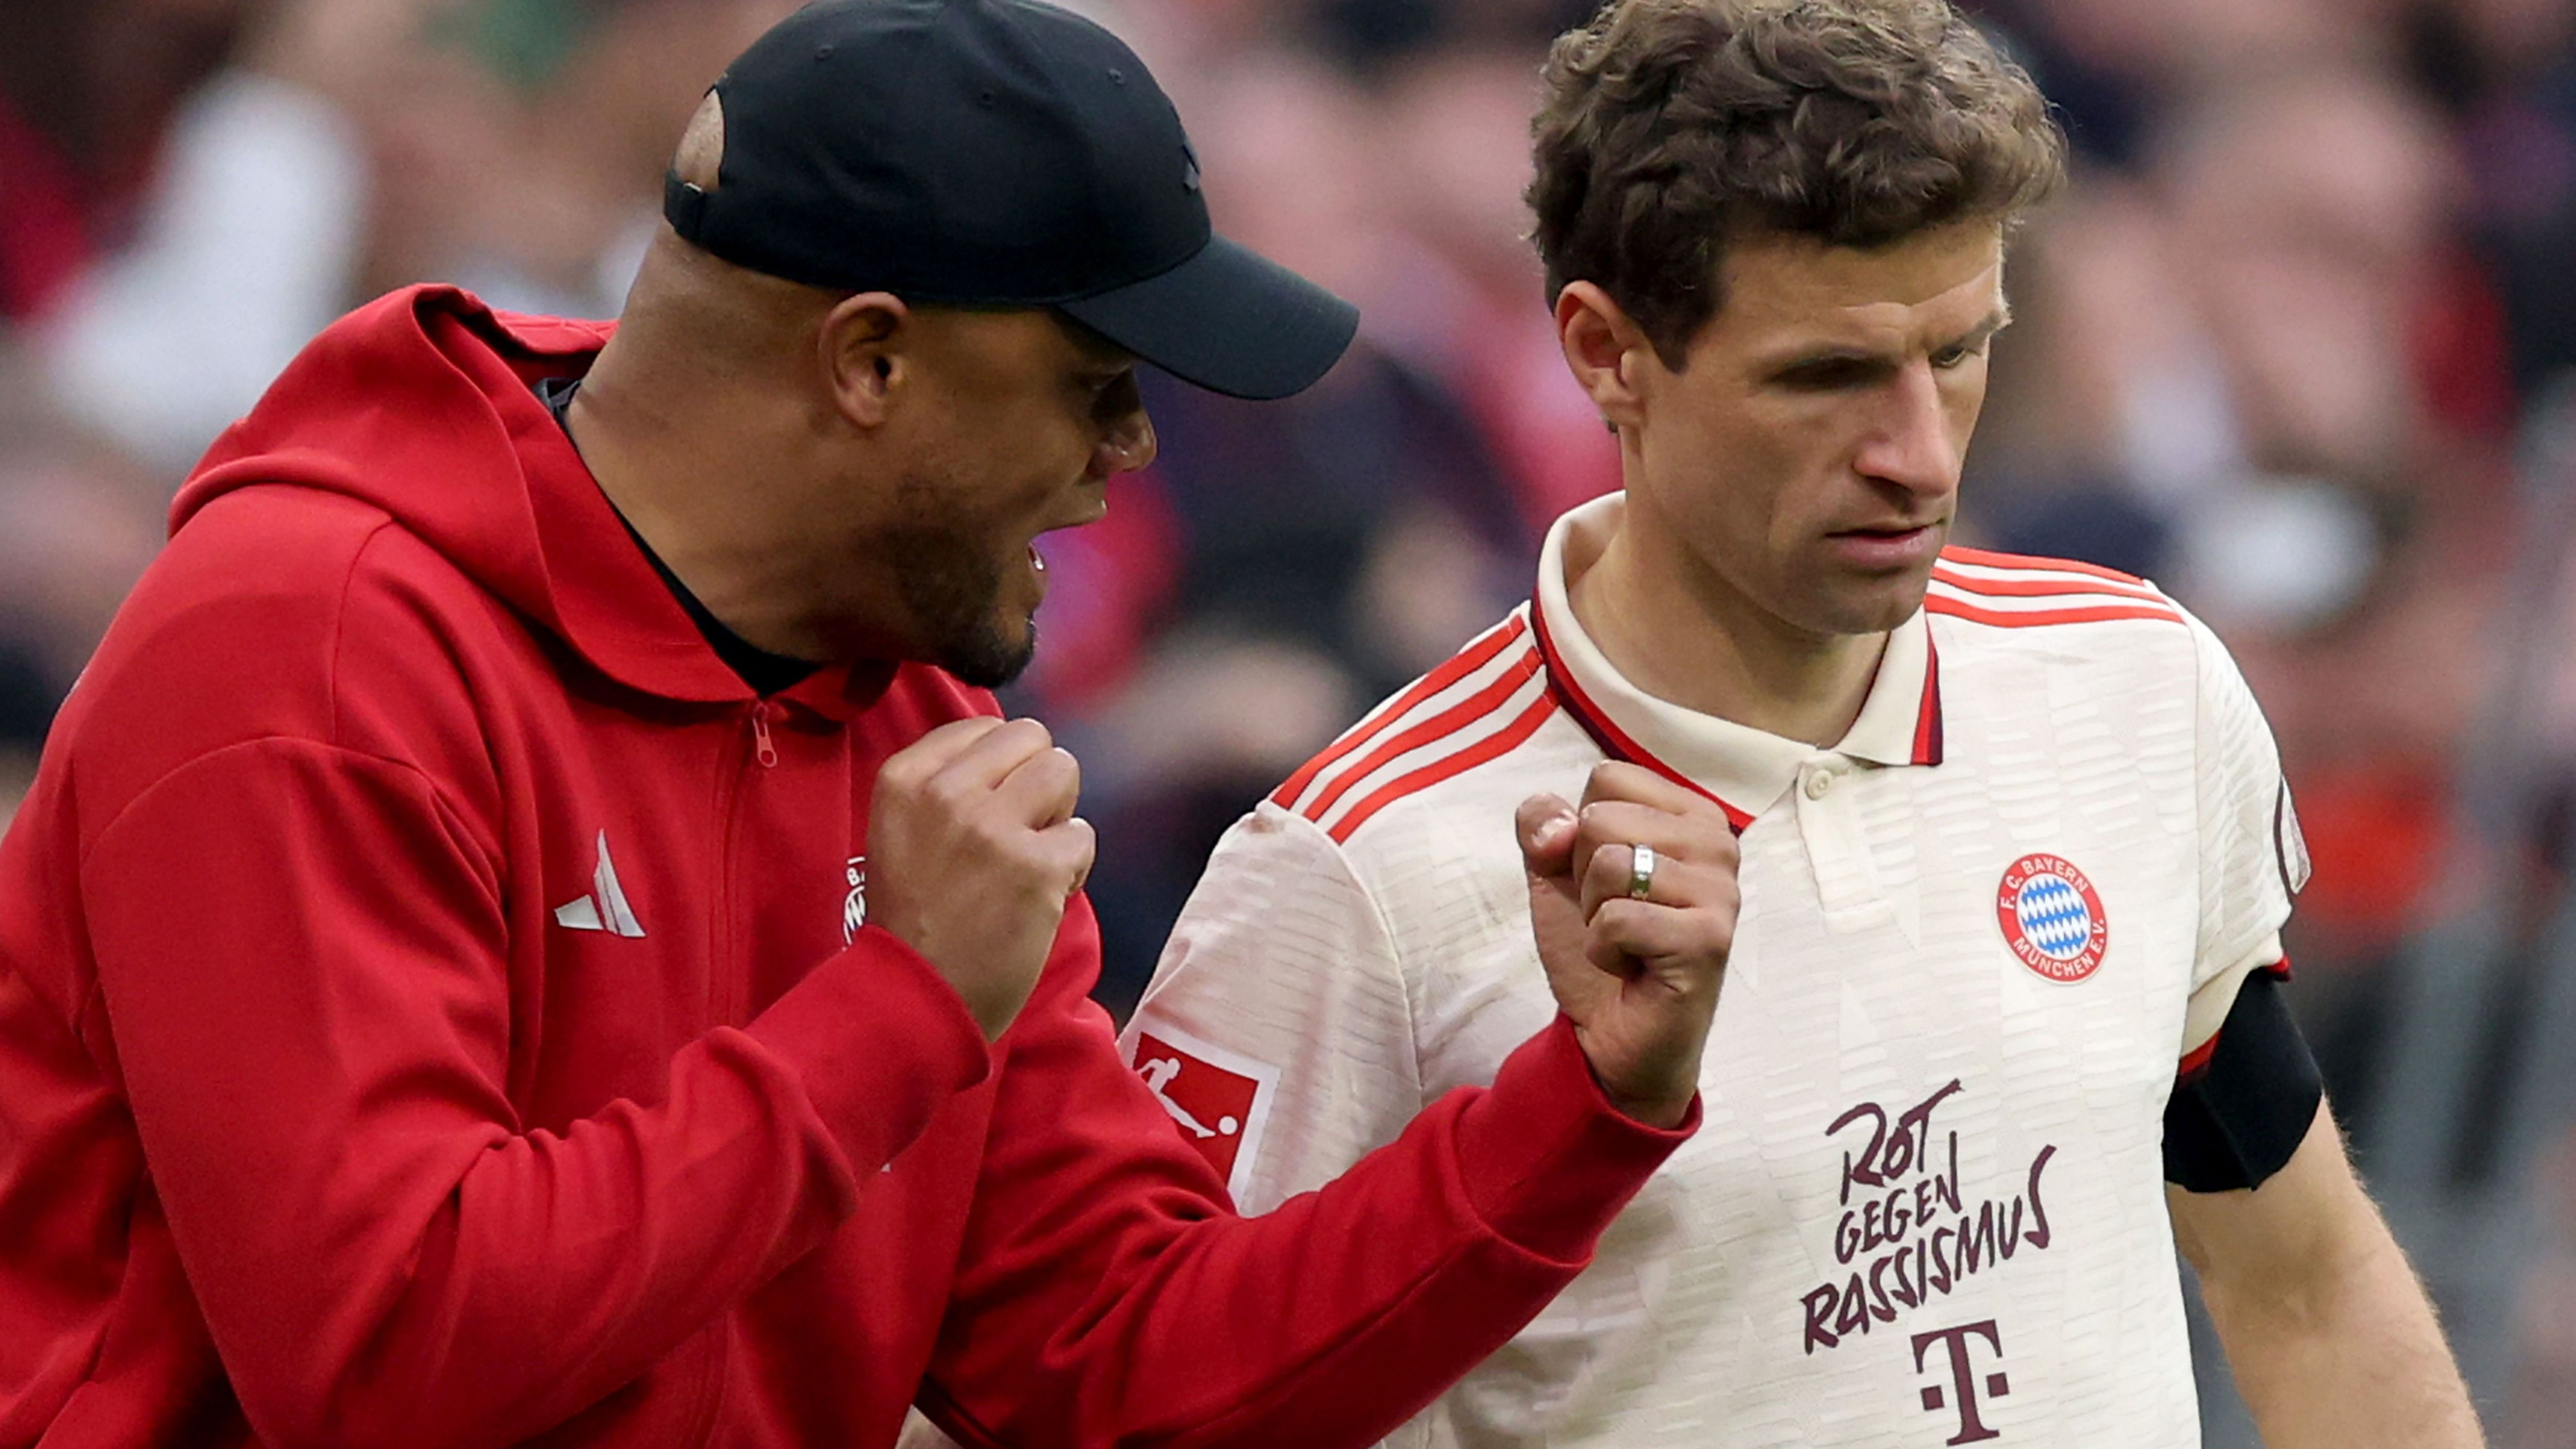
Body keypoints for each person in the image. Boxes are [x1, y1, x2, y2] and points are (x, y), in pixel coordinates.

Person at [0, 3, 1748, 1446]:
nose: (1133, 457)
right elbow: (387, 1364)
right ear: (868, 362)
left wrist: (1577, 1107)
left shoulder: (909, 711)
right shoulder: (303, 648)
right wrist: (899, 1006)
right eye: (1095, 386)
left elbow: (1112, 1364)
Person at [1116, 1, 2487, 1445]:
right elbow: (1160, 1402)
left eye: (1959, 355)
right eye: (1824, 377)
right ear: (1605, 354)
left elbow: (2305, 1281)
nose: (1914, 455)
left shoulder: (2136, 685)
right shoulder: (1350, 872)